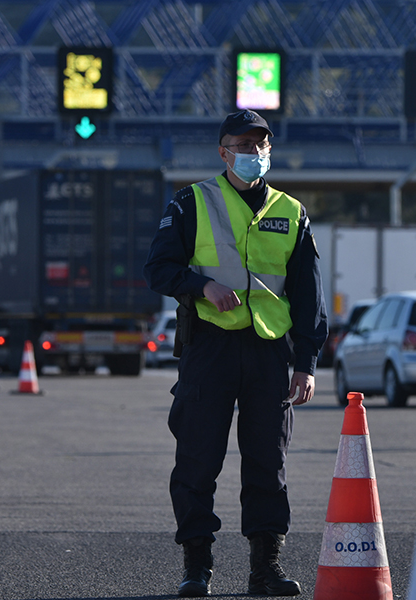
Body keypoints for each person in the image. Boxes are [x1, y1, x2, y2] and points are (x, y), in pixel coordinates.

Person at [144, 109, 328, 597]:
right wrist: (201, 286)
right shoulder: (192, 202)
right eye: (243, 146)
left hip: (269, 350)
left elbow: (310, 296)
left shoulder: (291, 212)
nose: (254, 153)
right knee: (198, 459)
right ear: (223, 151)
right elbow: (158, 268)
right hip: (210, 346)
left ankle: (265, 568)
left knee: (269, 461)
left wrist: (307, 364)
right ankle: (196, 566)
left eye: (261, 145)